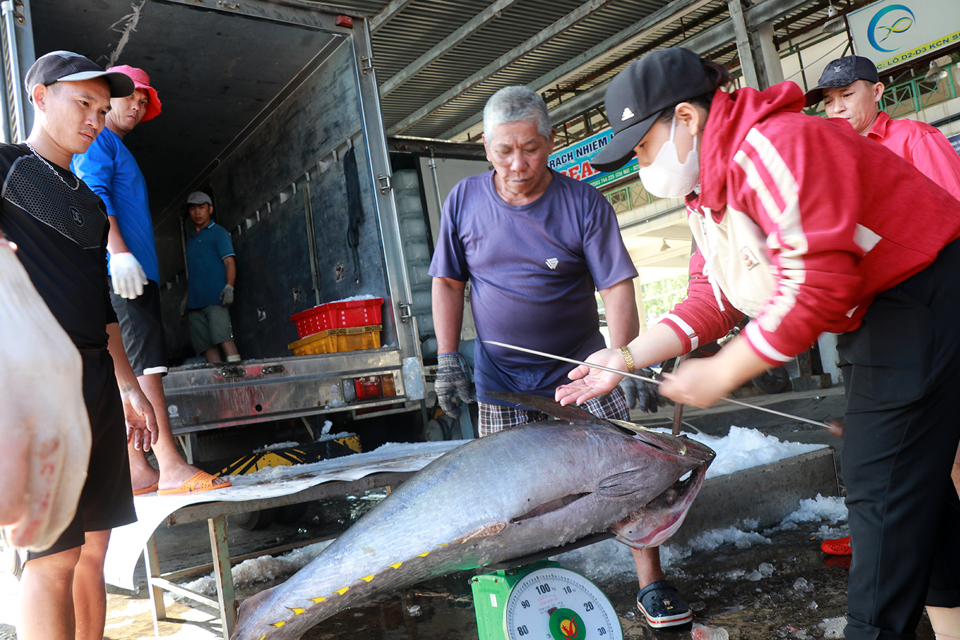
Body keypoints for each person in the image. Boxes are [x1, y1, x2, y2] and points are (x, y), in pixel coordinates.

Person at [556, 47, 960, 640]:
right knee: (910, 485)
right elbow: (715, 299)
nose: (642, 166)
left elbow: (819, 282)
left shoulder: (778, 146)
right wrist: (627, 357)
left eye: (643, 146)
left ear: (688, 120)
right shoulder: (707, 193)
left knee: (879, 484)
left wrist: (723, 372)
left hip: (926, 295)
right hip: (880, 316)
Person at [429, 85, 693, 629]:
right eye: (504, 151)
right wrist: (448, 357)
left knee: (627, 472)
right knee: (501, 496)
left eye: (529, 148)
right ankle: (511, 597)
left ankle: (652, 584)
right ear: (486, 148)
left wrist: (624, 358)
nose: (517, 163)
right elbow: (449, 284)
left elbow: (618, 288)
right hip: (500, 380)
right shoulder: (464, 202)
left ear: (549, 142)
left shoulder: (582, 204)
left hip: (581, 374)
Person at [8, 50, 160, 640]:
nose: (96, 118)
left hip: (95, 378)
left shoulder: (90, 204)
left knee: (93, 551)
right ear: (40, 97)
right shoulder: (4, 167)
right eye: (83, 103)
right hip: (33, 383)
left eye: (103, 107)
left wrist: (128, 387)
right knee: (50, 557)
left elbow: (103, 313)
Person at [806, 55, 960, 557]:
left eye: (847, 95)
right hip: (874, 324)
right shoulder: (831, 160)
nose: (837, 108)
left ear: (878, 92)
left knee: (948, 438)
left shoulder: (913, 139)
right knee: (893, 444)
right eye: (828, 101)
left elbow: (951, 222)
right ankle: (894, 538)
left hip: (932, 312)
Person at [72, 65, 230, 496]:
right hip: (124, 274)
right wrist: (118, 252)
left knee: (125, 370)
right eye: (133, 97)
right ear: (108, 99)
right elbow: (94, 195)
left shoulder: (114, 145)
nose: (138, 107)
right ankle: (171, 466)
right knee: (146, 370)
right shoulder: (101, 140)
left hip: (124, 272)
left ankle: (137, 471)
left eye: (145, 102)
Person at [181, 190, 241, 363]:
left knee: (224, 338)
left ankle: (239, 380)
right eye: (193, 209)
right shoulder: (191, 240)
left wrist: (229, 286)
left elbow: (229, 262)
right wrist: (186, 300)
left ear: (210, 209)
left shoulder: (219, 233)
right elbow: (193, 274)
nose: (197, 212)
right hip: (195, 304)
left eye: (201, 207)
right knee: (206, 346)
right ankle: (220, 387)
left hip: (216, 299)